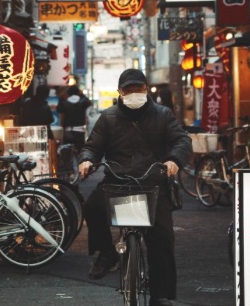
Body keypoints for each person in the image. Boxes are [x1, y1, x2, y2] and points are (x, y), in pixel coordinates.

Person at [78, 69, 192, 306]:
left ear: (145, 89)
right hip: (117, 183)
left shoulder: (163, 115)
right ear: (120, 93)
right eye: (127, 90)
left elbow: (182, 140)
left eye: (137, 89)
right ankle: (107, 254)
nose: (133, 93)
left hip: (153, 185)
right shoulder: (108, 117)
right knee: (92, 207)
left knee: (161, 239)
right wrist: (87, 160)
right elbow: (93, 145)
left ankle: (160, 295)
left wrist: (174, 160)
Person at [57, 85, 92, 150]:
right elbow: (89, 102)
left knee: (67, 152)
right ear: (78, 92)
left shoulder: (65, 103)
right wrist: (82, 94)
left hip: (68, 131)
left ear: (69, 93)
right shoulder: (83, 102)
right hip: (80, 131)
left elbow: (59, 109)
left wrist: (61, 98)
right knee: (80, 151)